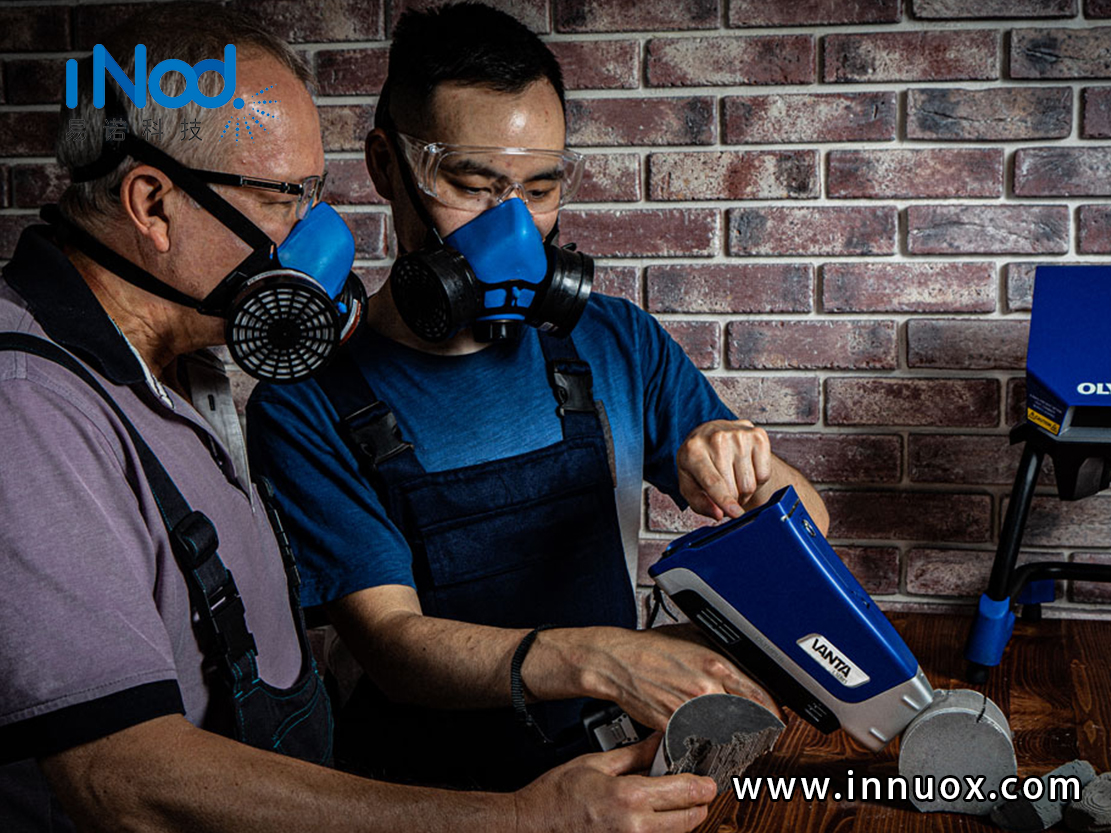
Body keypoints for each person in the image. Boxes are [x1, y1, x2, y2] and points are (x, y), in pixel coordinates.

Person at [0, 4, 721, 832]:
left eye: (315, 196)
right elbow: (121, 777)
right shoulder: (28, 404)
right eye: (286, 199)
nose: (315, 236)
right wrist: (517, 820)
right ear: (153, 204)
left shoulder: (180, 363)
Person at [246, 1, 828, 792]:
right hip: (434, 796)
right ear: (385, 165)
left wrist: (749, 468)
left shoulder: (613, 339)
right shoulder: (305, 404)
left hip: (614, 772)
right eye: (473, 184)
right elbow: (392, 645)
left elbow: (805, 521)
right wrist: (602, 657)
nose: (514, 230)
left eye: (541, 187)